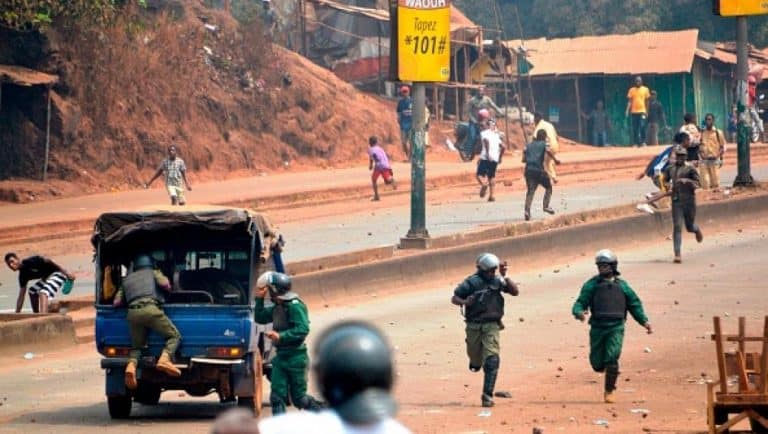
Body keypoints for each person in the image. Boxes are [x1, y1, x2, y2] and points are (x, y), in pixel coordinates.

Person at [257, 320, 411, 434]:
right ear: (388, 379)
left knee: (298, 398)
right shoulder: (398, 431)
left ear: (322, 380)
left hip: (291, 358)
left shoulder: (279, 428)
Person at [572, 249, 652, 404]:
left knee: (612, 357)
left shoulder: (623, 286)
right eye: (600, 266)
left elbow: (634, 305)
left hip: (616, 327)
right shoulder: (592, 285)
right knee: (597, 364)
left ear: (613, 266)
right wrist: (579, 313)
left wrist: (644, 322)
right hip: (597, 327)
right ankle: (606, 369)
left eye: (605, 265)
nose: (602, 269)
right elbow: (580, 302)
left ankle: (609, 390)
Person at [451, 253, 519, 407]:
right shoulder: (471, 283)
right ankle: (475, 362)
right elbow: (454, 297)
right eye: (488, 271)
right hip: (474, 325)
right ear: (481, 269)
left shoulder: (498, 281)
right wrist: (465, 302)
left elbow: (515, 292)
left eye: (493, 270)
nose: (491, 273)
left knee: (492, 359)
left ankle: (487, 395)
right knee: (475, 357)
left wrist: (505, 276)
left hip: (492, 325)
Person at [254, 271, 323, 415]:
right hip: (281, 358)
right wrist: (259, 300)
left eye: (268, 289)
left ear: (274, 290)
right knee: (277, 397)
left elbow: (302, 329)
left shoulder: (295, 306)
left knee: (300, 399)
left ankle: (327, 415)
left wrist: (280, 336)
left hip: (296, 358)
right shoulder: (278, 307)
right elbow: (260, 318)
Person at [115, 254, 182, 389]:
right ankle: (164, 359)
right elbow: (166, 284)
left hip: (132, 314)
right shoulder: (153, 272)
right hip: (151, 310)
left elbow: (116, 302)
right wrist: (167, 287)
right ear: (151, 264)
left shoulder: (126, 280)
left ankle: (131, 366)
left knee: (137, 347)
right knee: (174, 336)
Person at [663, 138, 704, 264]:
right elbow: (664, 180)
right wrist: (667, 185)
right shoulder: (670, 168)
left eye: (682, 156)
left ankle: (696, 230)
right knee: (677, 227)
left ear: (685, 157)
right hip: (676, 201)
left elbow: (699, 183)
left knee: (689, 227)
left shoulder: (690, 169)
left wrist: (688, 182)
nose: (680, 159)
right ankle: (677, 254)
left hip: (689, 201)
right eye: (678, 156)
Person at [4, 252, 76, 313]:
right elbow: (21, 296)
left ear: (17, 259)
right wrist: (17, 313)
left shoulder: (30, 262)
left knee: (43, 293)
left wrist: (66, 273)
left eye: (12, 261)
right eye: (9, 264)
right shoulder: (22, 276)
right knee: (32, 291)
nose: (11, 265)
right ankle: (37, 315)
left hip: (58, 273)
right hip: (47, 278)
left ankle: (43, 317)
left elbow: (49, 261)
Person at [522, 129, 560, 221]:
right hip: (539, 170)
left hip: (528, 171)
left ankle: (527, 211)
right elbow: (548, 151)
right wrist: (555, 160)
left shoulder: (528, 145)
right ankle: (546, 206)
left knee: (530, 191)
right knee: (548, 187)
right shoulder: (544, 143)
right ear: (543, 137)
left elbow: (523, 159)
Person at [465, 87, 504, 153]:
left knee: (495, 130)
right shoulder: (472, 100)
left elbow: (494, 106)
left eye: (482, 91)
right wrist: (474, 120)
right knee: (472, 136)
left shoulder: (487, 99)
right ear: (477, 92)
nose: (480, 93)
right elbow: (468, 112)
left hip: (485, 119)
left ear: (484, 92)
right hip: (475, 121)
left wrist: (500, 112)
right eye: (479, 91)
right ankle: (468, 151)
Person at [476, 120, 504, 202]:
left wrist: (488, 154)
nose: (482, 127)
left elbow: (486, 141)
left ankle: (484, 184)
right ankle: (492, 196)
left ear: (487, 126)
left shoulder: (484, 133)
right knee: (491, 176)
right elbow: (503, 146)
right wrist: (500, 157)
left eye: (483, 125)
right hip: (495, 158)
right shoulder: (496, 135)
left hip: (486, 157)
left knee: (479, 175)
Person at [699, 113, 726, 191]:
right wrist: (701, 155)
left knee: (715, 183)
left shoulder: (718, 133)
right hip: (704, 161)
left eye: (710, 119)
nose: (708, 121)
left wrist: (717, 155)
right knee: (705, 183)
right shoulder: (702, 133)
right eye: (707, 119)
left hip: (714, 160)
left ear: (713, 121)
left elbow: (722, 147)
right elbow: (699, 146)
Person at [533, 112, 560, 183]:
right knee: (548, 161)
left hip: (549, 146)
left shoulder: (539, 126)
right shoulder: (549, 124)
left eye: (534, 118)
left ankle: (549, 178)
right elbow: (557, 137)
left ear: (537, 118)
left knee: (543, 163)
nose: (534, 120)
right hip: (556, 145)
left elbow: (534, 138)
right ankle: (554, 177)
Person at [367, 136, 396, 201]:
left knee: (374, 180)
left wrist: (371, 165)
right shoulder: (380, 148)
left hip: (379, 165)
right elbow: (385, 156)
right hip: (386, 164)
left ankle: (377, 196)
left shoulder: (371, 149)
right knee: (387, 181)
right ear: (376, 142)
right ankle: (392, 180)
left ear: (370, 142)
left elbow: (372, 157)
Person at [625, 76, 650, 146]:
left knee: (642, 126)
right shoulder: (631, 90)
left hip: (642, 111)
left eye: (639, 81)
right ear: (635, 82)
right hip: (634, 112)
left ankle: (643, 142)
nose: (638, 82)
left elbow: (647, 101)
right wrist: (627, 110)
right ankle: (635, 142)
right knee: (635, 128)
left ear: (641, 81)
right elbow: (629, 101)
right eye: (636, 81)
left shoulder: (645, 89)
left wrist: (647, 111)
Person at [396, 86, 413, 158]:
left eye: (406, 91)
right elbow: (398, 112)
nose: (405, 93)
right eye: (403, 92)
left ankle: (410, 156)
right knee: (403, 142)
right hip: (403, 125)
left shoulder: (412, 101)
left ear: (409, 92)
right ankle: (407, 154)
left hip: (411, 125)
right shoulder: (400, 102)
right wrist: (399, 120)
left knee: (411, 142)